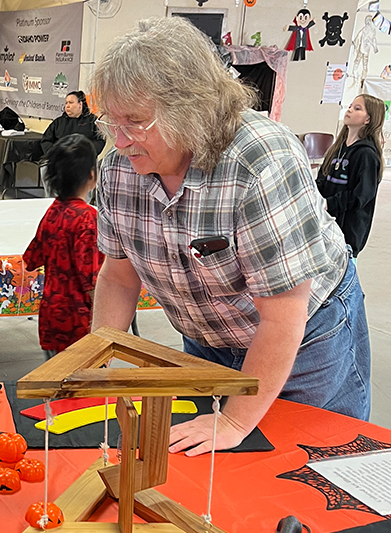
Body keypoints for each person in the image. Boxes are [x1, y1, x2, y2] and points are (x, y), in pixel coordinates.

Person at [91, 17, 368, 457]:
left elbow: (283, 315)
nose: (120, 140)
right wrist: (100, 366)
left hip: (306, 342)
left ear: (189, 109)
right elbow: (119, 278)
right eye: (111, 121)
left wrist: (236, 419)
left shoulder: (259, 162)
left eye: (135, 122)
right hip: (208, 340)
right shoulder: (118, 169)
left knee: (310, 463)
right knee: (215, 478)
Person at [24, 134, 104, 358]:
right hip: (79, 322)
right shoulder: (88, 218)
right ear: (92, 175)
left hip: (50, 317)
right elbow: (91, 280)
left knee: (56, 386)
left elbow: (31, 259)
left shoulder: (52, 212)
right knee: (86, 390)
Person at [316, 94, 384, 259]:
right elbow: (322, 180)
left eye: (357, 108)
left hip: (347, 234)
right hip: (325, 226)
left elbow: (362, 195)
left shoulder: (366, 154)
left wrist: (329, 203)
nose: (350, 110)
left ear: (368, 119)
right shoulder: (336, 149)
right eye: (351, 106)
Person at [40, 91, 106, 158]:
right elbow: (46, 140)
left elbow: (100, 141)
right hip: (60, 162)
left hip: (84, 162)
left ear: (80, 104)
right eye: (66, 103)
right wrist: (54, 154)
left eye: (71, 103)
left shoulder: (92, 121)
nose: (67, 106)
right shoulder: (58, 122)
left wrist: (83, 152)